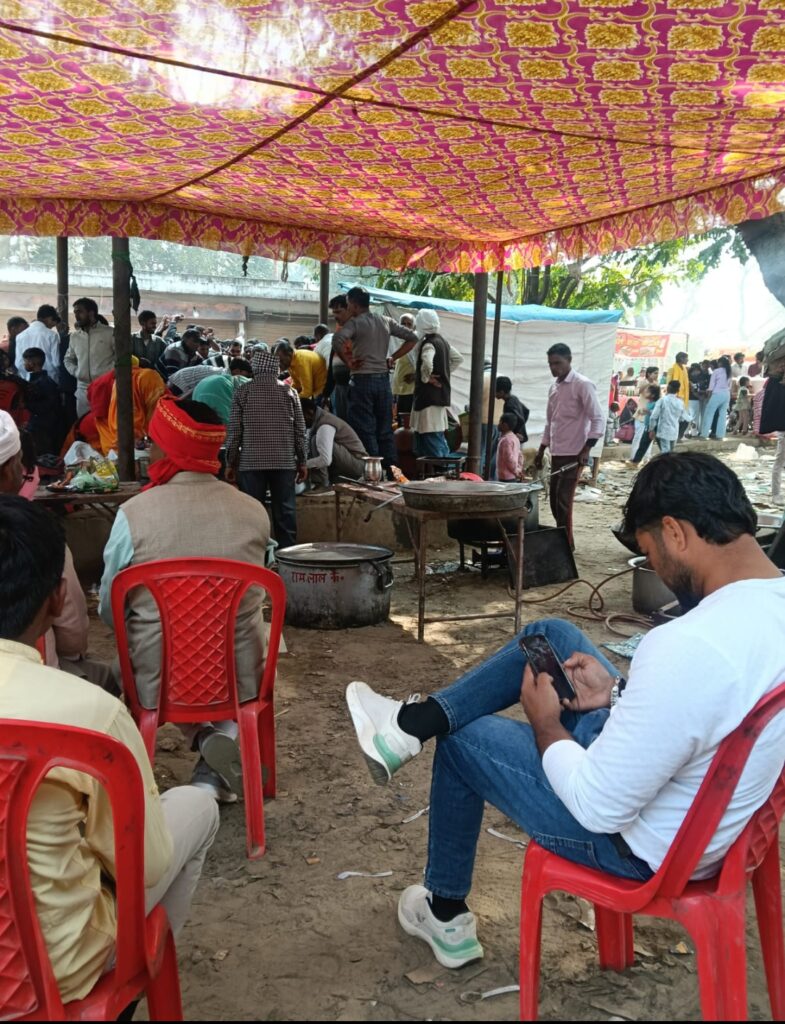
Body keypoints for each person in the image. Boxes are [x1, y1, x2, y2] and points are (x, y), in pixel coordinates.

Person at [345, 452, 785, 968]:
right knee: (550, 635)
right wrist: (617, 692)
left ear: (675, 532)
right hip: (711, 822)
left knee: (465, 739)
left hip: (638, 848)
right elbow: (718, 705)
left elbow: (598, 807)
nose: (662, 575)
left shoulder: (688, 643)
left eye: (652, 555)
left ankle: (444, 912)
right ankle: (406, 727)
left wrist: (546, 725)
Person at [0, 494, 220, 1003]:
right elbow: (147, 865)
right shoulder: (88, 713)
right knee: (198, 806)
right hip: (51, 970)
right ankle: (129, 987)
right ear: (58, 597)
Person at [99, 396, 271, 802]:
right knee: (258, 638)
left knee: (148, 653)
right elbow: (260, 588)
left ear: (169, 449)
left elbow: (110, 610)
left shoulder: (133, 515)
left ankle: (205, 743)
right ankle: (214, 750)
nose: (149, 451)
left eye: (154, 442)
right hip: (238, 675)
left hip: (157, 678)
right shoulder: (254, 512)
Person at [226, 348, 307, 551]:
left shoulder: (243, 391)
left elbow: (235, 431)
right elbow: (300, 431)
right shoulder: (290, 392)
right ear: (275, 369)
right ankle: (287, 555)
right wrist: (303, 461)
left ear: (255, 368)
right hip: (284, 462)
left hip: (251, 462)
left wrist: (230, 462)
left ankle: (256, 555)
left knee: (253, 511)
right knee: (285, 511)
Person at [331, 286, 418, 470]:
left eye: (347, 304)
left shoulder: (355, 323)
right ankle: (392, 472)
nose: (347, 308)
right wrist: (393, 357)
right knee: (385, 430)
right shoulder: (385, 321)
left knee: (365, 429)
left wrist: (349, 362)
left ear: (354, 304)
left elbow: (337, 340)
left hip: (362, 382)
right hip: (383, 382)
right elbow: (412, 337)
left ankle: (374, 473)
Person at [534, 343, 605, 549]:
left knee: (563, 501)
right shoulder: (554, 388)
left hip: (575, 453)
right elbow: (550, 422)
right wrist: (541, 450)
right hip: (556, 452)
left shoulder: (583, 385)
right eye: (550, 364)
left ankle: (566, 546)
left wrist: (586, 449)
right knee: (554, 501)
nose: (553, 368)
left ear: (569, 360)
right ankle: (561, 540)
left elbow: (598, 419)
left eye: (557, 363)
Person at [409, 309, 463, 460]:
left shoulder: (429, 344)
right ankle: (439, 468)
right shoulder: (442, 342)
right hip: (438, 398)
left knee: (431, 438)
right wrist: (444, 372)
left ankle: (441, 469)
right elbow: (458, 359)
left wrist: (426, 378)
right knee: (434, 436)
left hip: (428, 400)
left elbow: (427, 362)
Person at [88, 356, 165, 456]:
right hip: (126, 440)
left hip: (112, 442)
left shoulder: (113, 381)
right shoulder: (146, 377)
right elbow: (157, 413)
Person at [64, 298, 115, 417]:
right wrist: (77, 372)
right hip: (83, 390)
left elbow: (122, 357)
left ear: (91, 313)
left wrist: (110, 373)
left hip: (105, 388)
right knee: (84, 424)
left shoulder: (109, 333)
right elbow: (68, 359)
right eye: (75, 312)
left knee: (105, 424)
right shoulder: (75, 337)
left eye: (79, 312)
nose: (76, 316)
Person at [302, 398, 368, 487]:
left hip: (359, 466)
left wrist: (302, 465)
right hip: (348, 464)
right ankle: (322, 483)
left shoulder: (324, 424)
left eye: (300, 416)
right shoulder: (317, 422)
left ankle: (322, 485)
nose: (299, 421)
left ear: (310, 412)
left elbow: (325, 460)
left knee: (315, 441)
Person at [21, 346, 62, 455]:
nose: (24, 364)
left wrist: (26, 405)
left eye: (25, 362)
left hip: (43, 427)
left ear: (32, 363)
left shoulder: (43, 383)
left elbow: (47, 406)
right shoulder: (41, 381)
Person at [192, 358, 252, 425]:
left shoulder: (224, 376)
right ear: (237, 371)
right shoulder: (246, 382)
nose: (247, 376)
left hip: (199, 392)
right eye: (248, 374)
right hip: (215, 391)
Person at [14, 304, 61, 381]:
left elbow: (18, 363)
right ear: (49, 318)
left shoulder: (20, 336)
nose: (53, 325)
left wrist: (26, 376)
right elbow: (56, 362)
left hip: (27, 381)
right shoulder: (52, 335)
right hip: (49, 379)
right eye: (53, 321)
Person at [326, 295, 352, 420]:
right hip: (340, 386)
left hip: (352, 387)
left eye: (338, 312)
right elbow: (333, 356)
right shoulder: (340, 328)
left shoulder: (358, 329)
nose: (335, 316)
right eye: (334, 313)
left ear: (350, 309)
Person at [649, 380, 690, 453]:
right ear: (678, 390)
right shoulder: (680, 402)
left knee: (665, 452)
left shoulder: (662, 400)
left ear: (667, 388)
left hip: (663, 431)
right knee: (671, 452)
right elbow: (685, 418)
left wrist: (651, 429)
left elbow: (654, 416)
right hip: (674, 431)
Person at [626, 384, 660, 467]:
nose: (645, 393)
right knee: (643, 444)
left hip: (653, 427)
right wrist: (643, 412)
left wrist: (652, 429)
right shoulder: (649, 402)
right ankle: (636, 461)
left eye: (648, 392)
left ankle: (638, 461)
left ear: (653, 395)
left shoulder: (657, 403)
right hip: (648, 426)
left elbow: (655, 415)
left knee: (659, 445)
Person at [391, 313, 417, 419]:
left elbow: (424, 366)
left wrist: (416, 376)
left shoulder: (414, 345)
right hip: (401, 391)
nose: (406, 327)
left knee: (405, 423)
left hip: (409, 392)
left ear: (414, 327)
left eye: (409, 324)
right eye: (403, 324)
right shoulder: (404, 344)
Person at [701, 354, 732, 440]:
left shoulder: (716, 371)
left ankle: (704, 434)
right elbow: (730, 385)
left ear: (720, 363)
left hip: (717, 394)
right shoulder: (729, 371)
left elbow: (711, 386)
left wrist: (708, 397)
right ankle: (720, 435)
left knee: (709, 414)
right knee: (722, 415)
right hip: (726, 394)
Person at [495, 375, 529, 443]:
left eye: (495, 391)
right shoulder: (514, 398)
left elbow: (520, 420)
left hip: (513, 439)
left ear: (501, 392)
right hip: (518, 437)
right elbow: (526, 411)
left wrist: (514, 432)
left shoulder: (509, 405)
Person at [495, 412, 522, 482]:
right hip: (512, 475)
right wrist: (519, 469)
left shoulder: (506, 441)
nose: (498, 425)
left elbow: (509, 459)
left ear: (505, 425)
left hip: (505, 477)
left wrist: (515, 470)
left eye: (500, 422)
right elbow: (520, 455)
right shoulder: (515, 438)